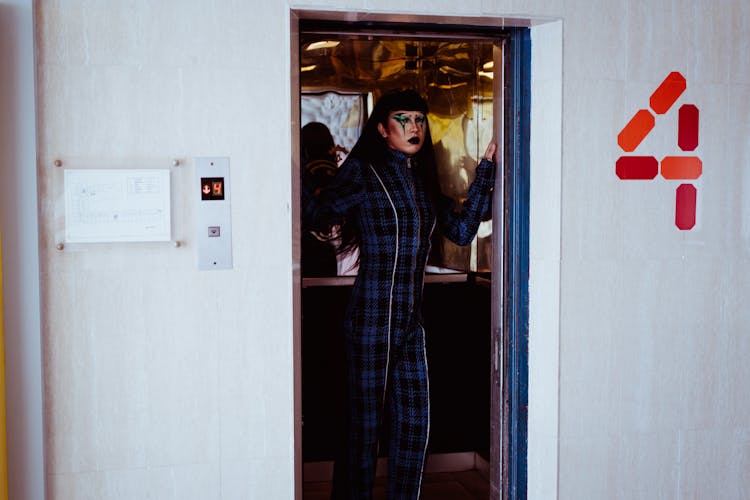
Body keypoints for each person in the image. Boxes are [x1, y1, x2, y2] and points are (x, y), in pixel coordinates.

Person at [301, 89, 496, 499]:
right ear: (382, 129)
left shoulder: (421, 181)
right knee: (364, 429)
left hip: (410, 321)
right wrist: (296, 170)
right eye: (403, 119)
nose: (414, 127)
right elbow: (321, 215)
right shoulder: (363, 172)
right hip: (370, 320)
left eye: (419, 120)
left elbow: (461, 231)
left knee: (415, 424)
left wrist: (486, 172)